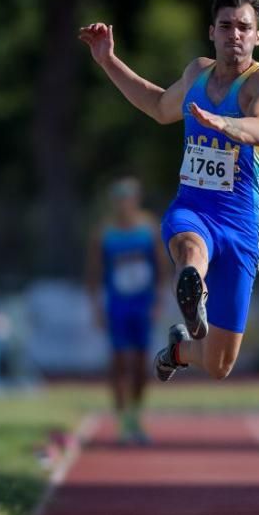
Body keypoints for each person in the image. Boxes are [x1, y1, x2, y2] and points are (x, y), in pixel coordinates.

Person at [79, 0, 259, 382]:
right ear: (212, 32)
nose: (235, 35)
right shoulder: (197, 75)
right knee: (191, 251)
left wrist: (227, 124)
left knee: (219, 365)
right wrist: (108, 61)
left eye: (244, 27)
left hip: (240, 227)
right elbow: (157, 106)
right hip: (194, 210)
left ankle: (177, 348)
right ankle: (194, 288)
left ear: (257, 36)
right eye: (226, 26)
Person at [86, 177, 167, 443]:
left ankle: (136, 415)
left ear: (136, 199)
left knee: (142, 362)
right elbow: (95, 272)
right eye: (120, 197)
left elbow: (160, 266)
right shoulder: (105, 232)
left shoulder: (148, 228)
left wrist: (158, 300)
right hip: (117, 305)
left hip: (142, 304)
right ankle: (122, 420)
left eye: (129, 197)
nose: (124, 203)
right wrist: (96, 305)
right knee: (119, 361)